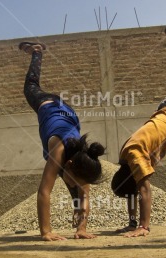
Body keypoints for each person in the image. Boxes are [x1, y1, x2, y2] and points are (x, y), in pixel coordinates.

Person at [111, 26, 166, 237]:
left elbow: (143, 190)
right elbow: (133, 192)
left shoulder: (134, 155)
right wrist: (131, 223)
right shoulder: (126, 158)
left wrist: (143, 227)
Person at [19, 41, 105, 241]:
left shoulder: (83, 161)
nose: (78, 186)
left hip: (68, 113)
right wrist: (46, 231)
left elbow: (84, 195)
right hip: (47, 103)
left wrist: (82, 229)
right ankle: (37, 52)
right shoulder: (57, 150)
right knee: (30, 86)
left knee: (78, 189)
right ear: (69, 163)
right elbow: (43, 192)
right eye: (76, 180)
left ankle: (78, 223)